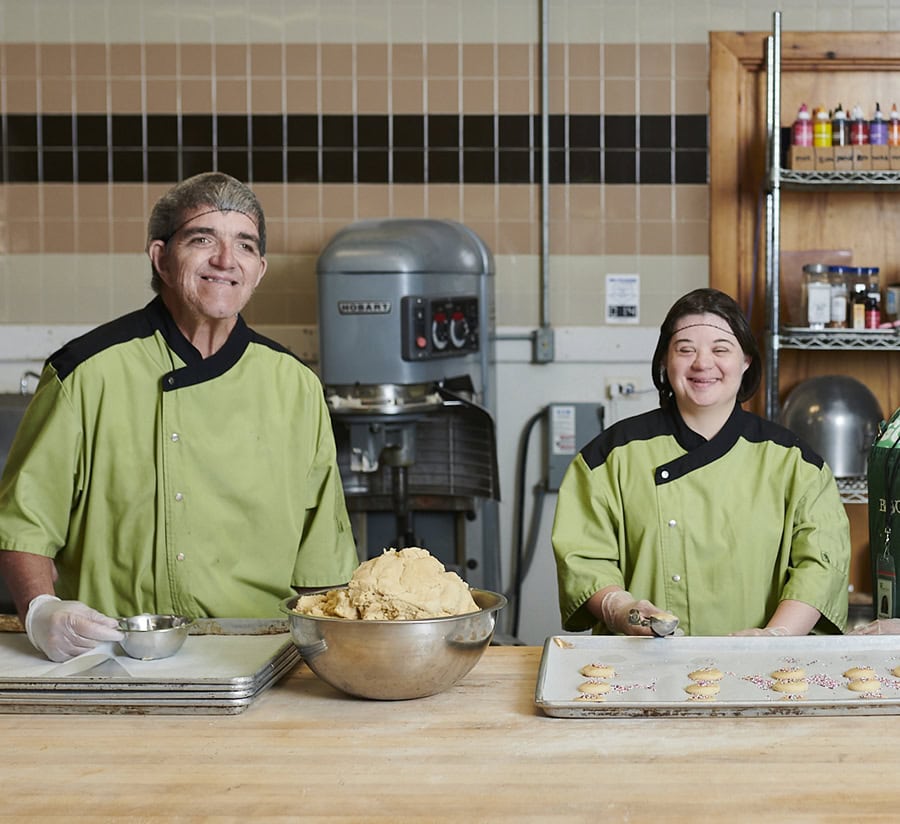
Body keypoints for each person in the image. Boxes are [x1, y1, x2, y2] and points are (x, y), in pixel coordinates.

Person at [0, 172, 359, 661]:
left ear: (258, 270)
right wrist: (40, 610)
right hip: (111, 650)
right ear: (161, 259)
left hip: (259, 652)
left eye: (245, 245)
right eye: (202, 239)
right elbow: (24, 524)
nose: (225, 260)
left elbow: (323, 562)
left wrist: (330, 659)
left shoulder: (296, 386)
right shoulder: (85, 373)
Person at [552, 287, 850, 637]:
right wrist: (619, 609)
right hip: (639, 661)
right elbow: (584, 558)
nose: (703, 364)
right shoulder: (610, 457)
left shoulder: (795, 463)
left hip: (762, 666)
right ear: (665, 360)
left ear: (746, 360)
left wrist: (775, 638)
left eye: (721, 349)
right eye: (685, 349)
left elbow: (821, 566)